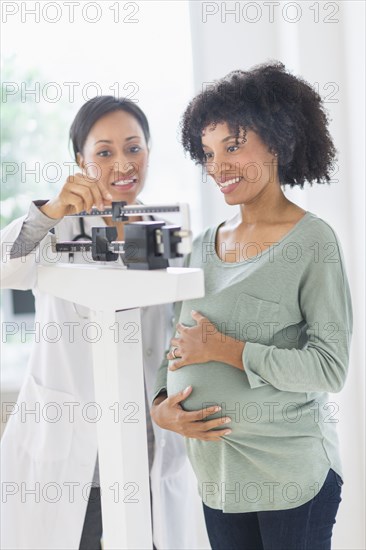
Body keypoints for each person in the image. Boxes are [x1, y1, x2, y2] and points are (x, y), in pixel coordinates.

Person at [151, 61, 353, 550]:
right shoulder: (200, 245)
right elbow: (175, 349)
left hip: (289, 476)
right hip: (218, 479)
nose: (218, 166)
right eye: (208, 153)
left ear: (278, 143)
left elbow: (330, 369)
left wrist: (229, 350)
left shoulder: (312, 242)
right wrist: (161, 409)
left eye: (234, 147)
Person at [1, 96, 204, 550]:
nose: (122, 164)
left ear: (149, 152)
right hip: (70, 457)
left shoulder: (170, 233)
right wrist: (52, 211)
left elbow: (179, 340)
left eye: (134, 148)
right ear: (81, 161)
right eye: (105, 152)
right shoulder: (54, 230)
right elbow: (3, 265)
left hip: (147, 452)